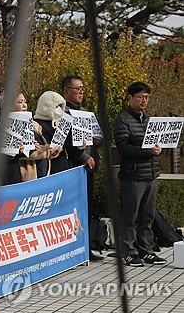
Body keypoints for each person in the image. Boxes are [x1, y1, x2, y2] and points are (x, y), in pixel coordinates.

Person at [113, 82, 166, 267]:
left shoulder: (150, 120)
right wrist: (148, 151)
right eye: (140, 97)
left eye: (146, 97)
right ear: (130, 98)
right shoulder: (123, 120)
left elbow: (156, 147)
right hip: (133, 177)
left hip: (150, 175)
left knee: (147, 216)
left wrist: (158, 150)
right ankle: (129, 251)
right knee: (130, 216)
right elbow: (124, 148)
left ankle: (146, 250)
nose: (144, 100)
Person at [61, 75, 103, 261]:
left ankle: (85, 247)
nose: (80, 92)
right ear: (66, 91)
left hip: (90, 168)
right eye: (77, 88)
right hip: (74, 166)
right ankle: (73, 248)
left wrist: (97, 140)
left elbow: (98, 138)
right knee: (73, 209)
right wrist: (84, 156)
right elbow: (66, 143)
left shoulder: (87, 113)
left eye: (82, 88)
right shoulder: (63, 113)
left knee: (87, 208)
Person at [34, 91, 71, 174]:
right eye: (56, 106)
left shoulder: (60, 124)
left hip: (63, 168)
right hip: (49, 171)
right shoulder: (37, 125)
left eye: (60, 106)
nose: (59, 109)